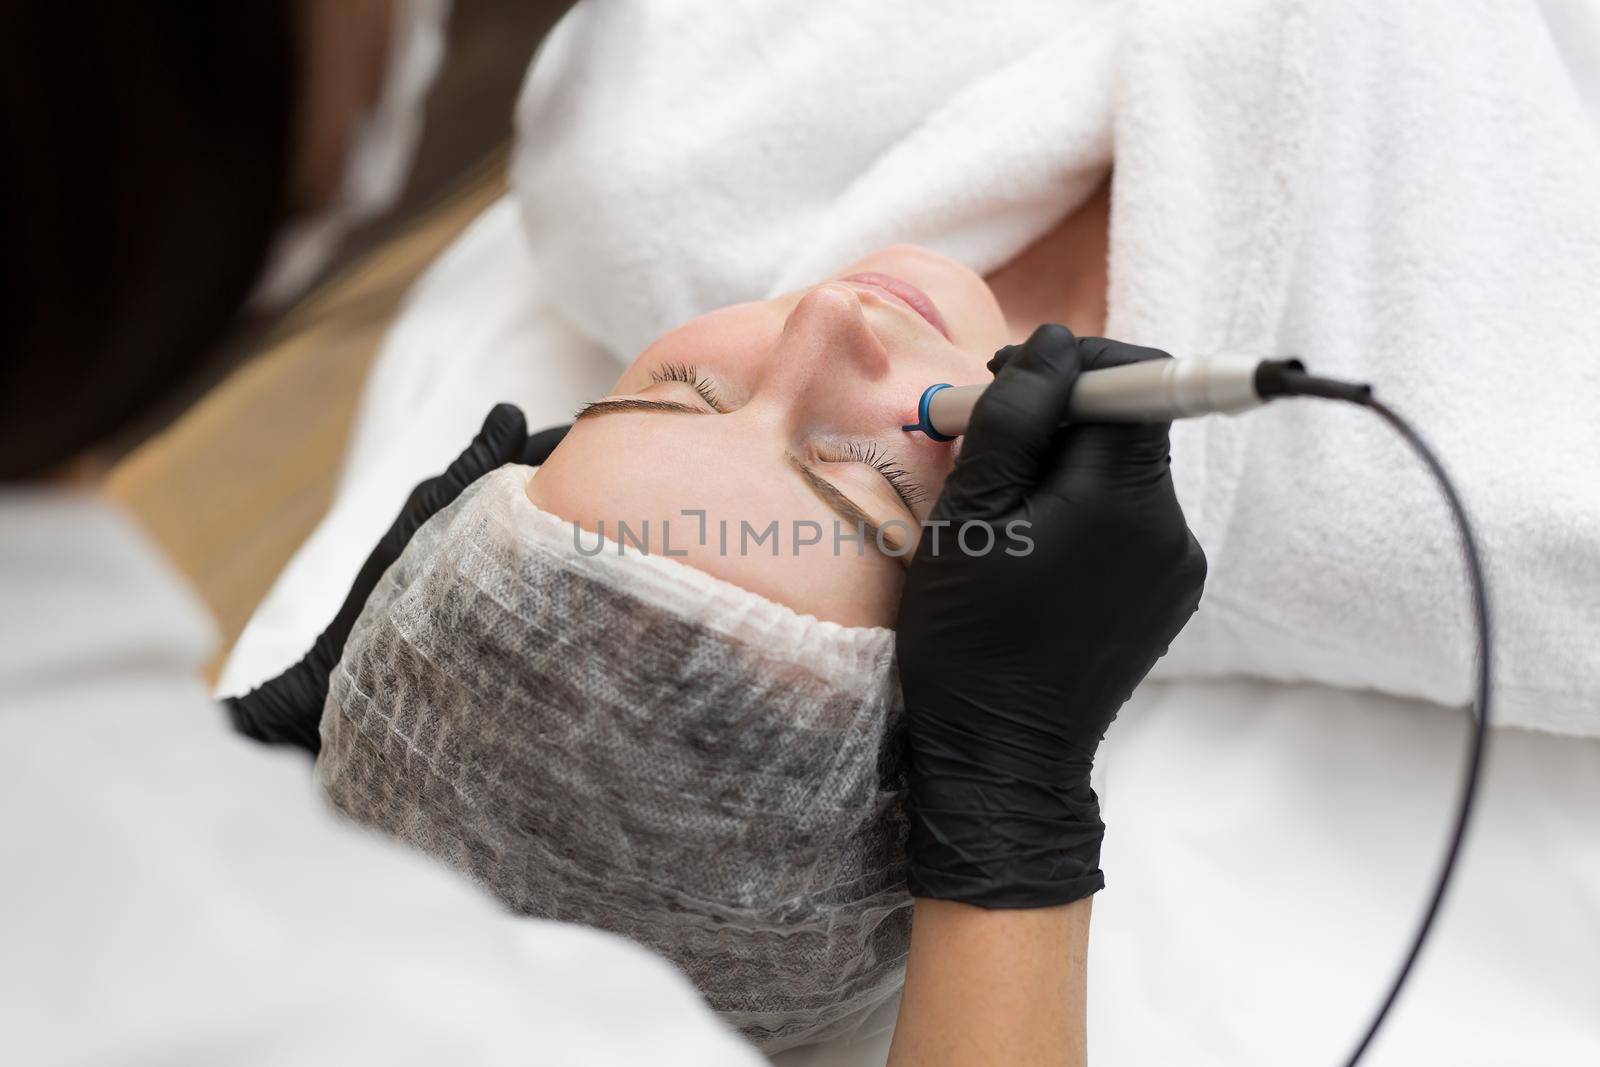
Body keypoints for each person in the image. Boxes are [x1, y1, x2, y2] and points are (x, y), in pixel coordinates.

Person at [4, 8, 1204, 1067]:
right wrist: (1012, 815)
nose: (829, 314)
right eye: (874, 477)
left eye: (682, 388)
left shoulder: (653, 168)